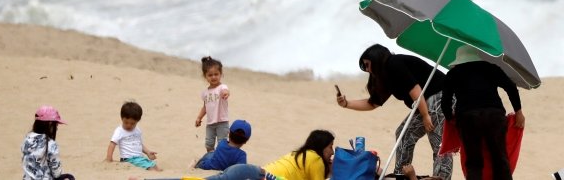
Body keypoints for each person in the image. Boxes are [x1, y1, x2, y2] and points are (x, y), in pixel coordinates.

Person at [337, 44, 453, 180]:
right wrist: (346, 104)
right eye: (364, 67)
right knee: (404, 134)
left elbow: (415, 90)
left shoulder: (394, 63)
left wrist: (425, 115)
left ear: (376, 59)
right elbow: (373, 103)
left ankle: (441, 178)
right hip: (423, 103)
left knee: (438, 142)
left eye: (367, 65)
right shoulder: (387, 76)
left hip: (440, 95)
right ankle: (401, 174)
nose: (367, 70)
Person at [440, 45, 524, 180]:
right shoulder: (491, 68)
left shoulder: (453, 74)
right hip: (494, 115)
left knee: (473, 162)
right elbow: (511, 87)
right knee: (500, 158)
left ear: (459, 59)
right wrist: (518, 111)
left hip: (468, 118)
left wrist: (451, 119)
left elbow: (445, 102)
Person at [201, 129, 335, 180]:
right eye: (330, 147)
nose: (332, 152)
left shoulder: (300, 154)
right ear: (321, 146)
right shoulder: (316, 159)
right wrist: (332, 171)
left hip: (249, 172)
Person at [22, 105, 75, 180]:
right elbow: (57, 173)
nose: (56, 128)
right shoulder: (50, 144)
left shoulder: (27, 139)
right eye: (55, 125)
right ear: (50, 124)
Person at [105, 100, 160, 170]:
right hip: (129, 159)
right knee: (151, 169)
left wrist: (148, 152)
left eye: (132, 123)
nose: (129, 125)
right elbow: (112, 144)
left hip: (139, 158)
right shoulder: (119, 131)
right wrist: (109, 158)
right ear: (122, 118)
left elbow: (139, 144)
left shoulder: (137, 130)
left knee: (156, 167)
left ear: (138, 121)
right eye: (126, 122)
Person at [196, 55, 231, 152]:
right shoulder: (205, 93)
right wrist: (199, 117)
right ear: (205, 76)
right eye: (210, 75)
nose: (213, 77)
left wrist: (226, 93)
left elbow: (226, 91)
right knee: (209, 143)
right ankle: (210, 157)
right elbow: (205, 107)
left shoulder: (222, 87)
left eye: (216, 74)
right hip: (210, 123)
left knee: (222, 144)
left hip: (222, 122)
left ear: (221, 74)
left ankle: (221, 160)